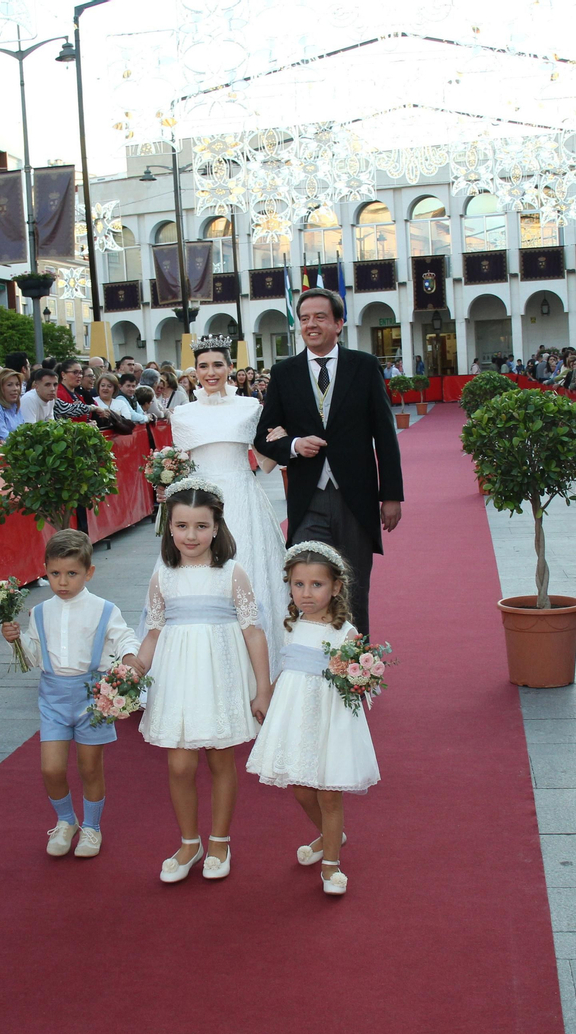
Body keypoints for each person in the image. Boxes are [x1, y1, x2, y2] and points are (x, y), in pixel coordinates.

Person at [134, 480, 272, 883]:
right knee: (179, 765)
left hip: (220, 677)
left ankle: (219, 840)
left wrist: (262, 688)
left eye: (200, 526)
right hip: (177, 679)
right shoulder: (163, 575)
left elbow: (253, 631)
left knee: (219, 758)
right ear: (168, 528)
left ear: (216, 527)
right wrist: (134, 669)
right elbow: (154, 631)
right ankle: (189, 841)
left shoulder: (231, 573)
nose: (190, 535)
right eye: (181, 526)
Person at [254, 288, 403, 636]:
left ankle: (355, 674)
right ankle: (311, 668)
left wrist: (391, 495)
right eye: (304, 319)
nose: (311, 325)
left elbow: (385, 434)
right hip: (308, 499)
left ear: (339, 323)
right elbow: (262, 436)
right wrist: (293, 445)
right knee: (307, 583)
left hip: (356, 497)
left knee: (353, 588)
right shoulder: (285, 371)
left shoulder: (363, 366)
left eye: (320, 317)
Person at [246, 542, 379, 896]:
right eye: (298, 584)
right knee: (302, 790)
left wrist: (359, 674)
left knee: (329, 794)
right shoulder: (291, 625)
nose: (306, 593)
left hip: (329, 717)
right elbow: (288, 666)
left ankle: (331, 865)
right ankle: (330, 836)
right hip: (295, 714)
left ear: (335, 587)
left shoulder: (344, 633)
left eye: (316, 585)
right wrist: (268, 693)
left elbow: (358, 677)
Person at [1, 530, 140, 860]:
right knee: (51, 768)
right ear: (45, 570)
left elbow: (125, 639)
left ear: (89, 572)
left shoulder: (104, 610)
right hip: (53, 698)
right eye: (55, 574)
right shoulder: (40, 612)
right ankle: (66, 821)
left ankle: (92, 827)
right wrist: (16, 640)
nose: (62, 582)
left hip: (92, 697)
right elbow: (35, 657)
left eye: (72, 574)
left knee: (90, 768)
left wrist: (131, 660)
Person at [169, 335, 290, 670]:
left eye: (218, 365)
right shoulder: (182, 414)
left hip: (242, 498)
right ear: (195, 370)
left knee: (250, 568)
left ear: (230, 368)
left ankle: (262, 663)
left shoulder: (251, 408)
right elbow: (179, 465)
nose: (211, 372)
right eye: (204, 366)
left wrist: (280, 443)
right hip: (199, 504)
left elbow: (263, 463)